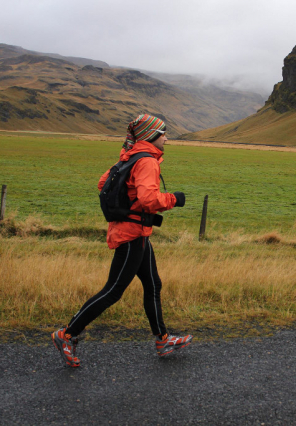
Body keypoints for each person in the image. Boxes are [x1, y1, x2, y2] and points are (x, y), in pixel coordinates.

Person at [52, 114, 192, 367]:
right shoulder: (147, 161)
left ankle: (162, 340)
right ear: (151, 135)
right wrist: (174, 198)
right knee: (114, 290)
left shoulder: (129, 156)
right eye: (163, 134)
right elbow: (149, 200)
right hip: (132, 235)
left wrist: (129, 201)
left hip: (134, 231)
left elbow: (102, 182)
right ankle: (66, 334)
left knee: (152, 284)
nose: (167, 138)